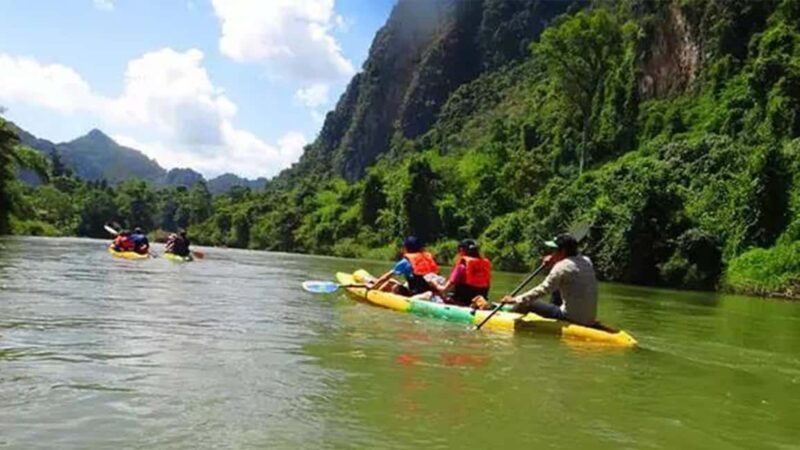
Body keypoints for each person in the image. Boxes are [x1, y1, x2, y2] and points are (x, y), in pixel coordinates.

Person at [501, 233, 598, 326]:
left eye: (554, 250)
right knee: (557, 288)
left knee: (528, 303)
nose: (552, 253)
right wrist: (556, 259)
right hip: (588, 318)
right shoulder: (587, 261)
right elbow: (570, 267)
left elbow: (543, 289)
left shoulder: (561, 267)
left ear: (563, 251)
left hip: (571, 317)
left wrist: (516, 299)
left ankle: (508, 314)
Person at [427, 239, 492, 307]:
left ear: (461, 250)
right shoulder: (485, 265)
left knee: (428, 295)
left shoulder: (461, 267)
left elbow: (443, 290)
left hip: (460, 302)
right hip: (478, 303)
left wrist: (434, 283)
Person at [372, 236, 440, 296]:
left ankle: (374, 294)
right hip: (431, 291)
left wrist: (373, 286)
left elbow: (386, 276)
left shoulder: (405, 261)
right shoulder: (427, 258)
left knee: (392, 285)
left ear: (405, 248)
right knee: (394, 282)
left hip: (416, 293)